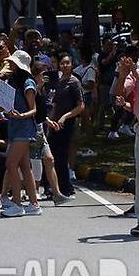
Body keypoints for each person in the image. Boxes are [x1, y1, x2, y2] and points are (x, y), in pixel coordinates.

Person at [0, 50, 42, 217]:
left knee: (11, 164)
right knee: (24, 166)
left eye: (13, 62)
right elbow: (3, 106)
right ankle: (33, 203)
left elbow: (33, 110)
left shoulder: (27, 82)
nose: (10, 64)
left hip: (23, 128)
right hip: (15, 126)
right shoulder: (14, 81)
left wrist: (20, 115)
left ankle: (17, 204)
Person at [30, 62, 72, 205]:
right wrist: (38, 87)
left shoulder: (42, 89)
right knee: (28, 164)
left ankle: (57, 194)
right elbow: (32, 108)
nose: (45, 77)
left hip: (40, 129)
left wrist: (48, 121)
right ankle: (27, 194)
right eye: (43, 74)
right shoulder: (31, 88)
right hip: (31, 130)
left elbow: (41, 112)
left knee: (49, 160)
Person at [114, 51, 139, 238]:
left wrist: (134, 72)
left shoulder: (138, 73)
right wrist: (123, 74)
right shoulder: (137, 72)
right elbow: (121, 94)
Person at [48, 53, 85, 198]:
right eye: (62, 63)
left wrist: (65, 116)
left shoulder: (74, 82)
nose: (64, 66)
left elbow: (81, 106)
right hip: (55, 123)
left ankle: (66, 188)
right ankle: (55, 187)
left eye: (67, 63)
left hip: (67, 123)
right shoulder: (57, 80)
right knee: (54, 155)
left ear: (71, 64)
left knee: (62, 155)